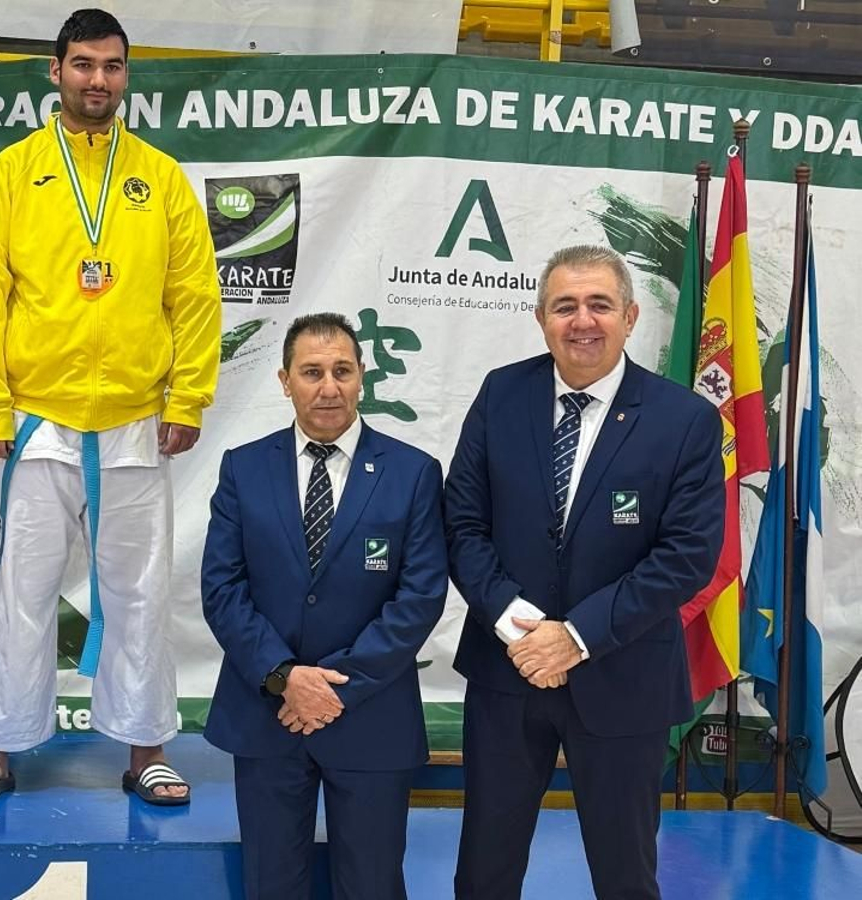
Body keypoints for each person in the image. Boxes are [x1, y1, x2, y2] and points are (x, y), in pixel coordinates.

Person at [0, 7, 220, 806]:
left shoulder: (160, 178)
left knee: (138, 591)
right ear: (56, 71)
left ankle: (146, 751)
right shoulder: (11, 173)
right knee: (13, 592)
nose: (97, 80)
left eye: (112, 66)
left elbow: (194, 296)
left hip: (135, 418)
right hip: (34, 419)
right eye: (83, 65)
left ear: (125, 76)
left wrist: (190, 393)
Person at [445, 245, 724, 899]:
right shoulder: (501, 394)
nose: (582, 320)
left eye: (599, 304)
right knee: (484, 870)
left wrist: (573, 637)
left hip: (624, 677)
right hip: (508, 673)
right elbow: (463, 524)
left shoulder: (685, 420)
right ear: (541, 318)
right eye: (564, 306)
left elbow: (686, 556)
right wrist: (521, 627)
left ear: (629, 317)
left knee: (625, 874)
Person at [201, 313, 446, 899]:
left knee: (372, 884)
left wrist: (334, 687)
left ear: (363, 376)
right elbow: (222, 589)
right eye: (312, 372)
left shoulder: (413, 474)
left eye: (342, 370)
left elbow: (420, 596)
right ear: (285, 380)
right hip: (267, 715)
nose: (328, 387)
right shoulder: (243, 467)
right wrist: (285, 678)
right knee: (272, 885)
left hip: (371, 718)